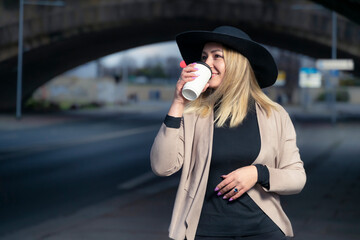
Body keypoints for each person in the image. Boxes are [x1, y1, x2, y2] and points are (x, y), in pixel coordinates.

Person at [150, 26, 306, 240]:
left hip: (263, 231)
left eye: (217, 57)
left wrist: (259, 173)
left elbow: (297, 177)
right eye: (204, 57)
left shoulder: (274, 115)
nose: (208, 63)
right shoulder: (193, 114)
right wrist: (178, 103)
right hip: (205, 231)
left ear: (238, 64)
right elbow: (162, 166)